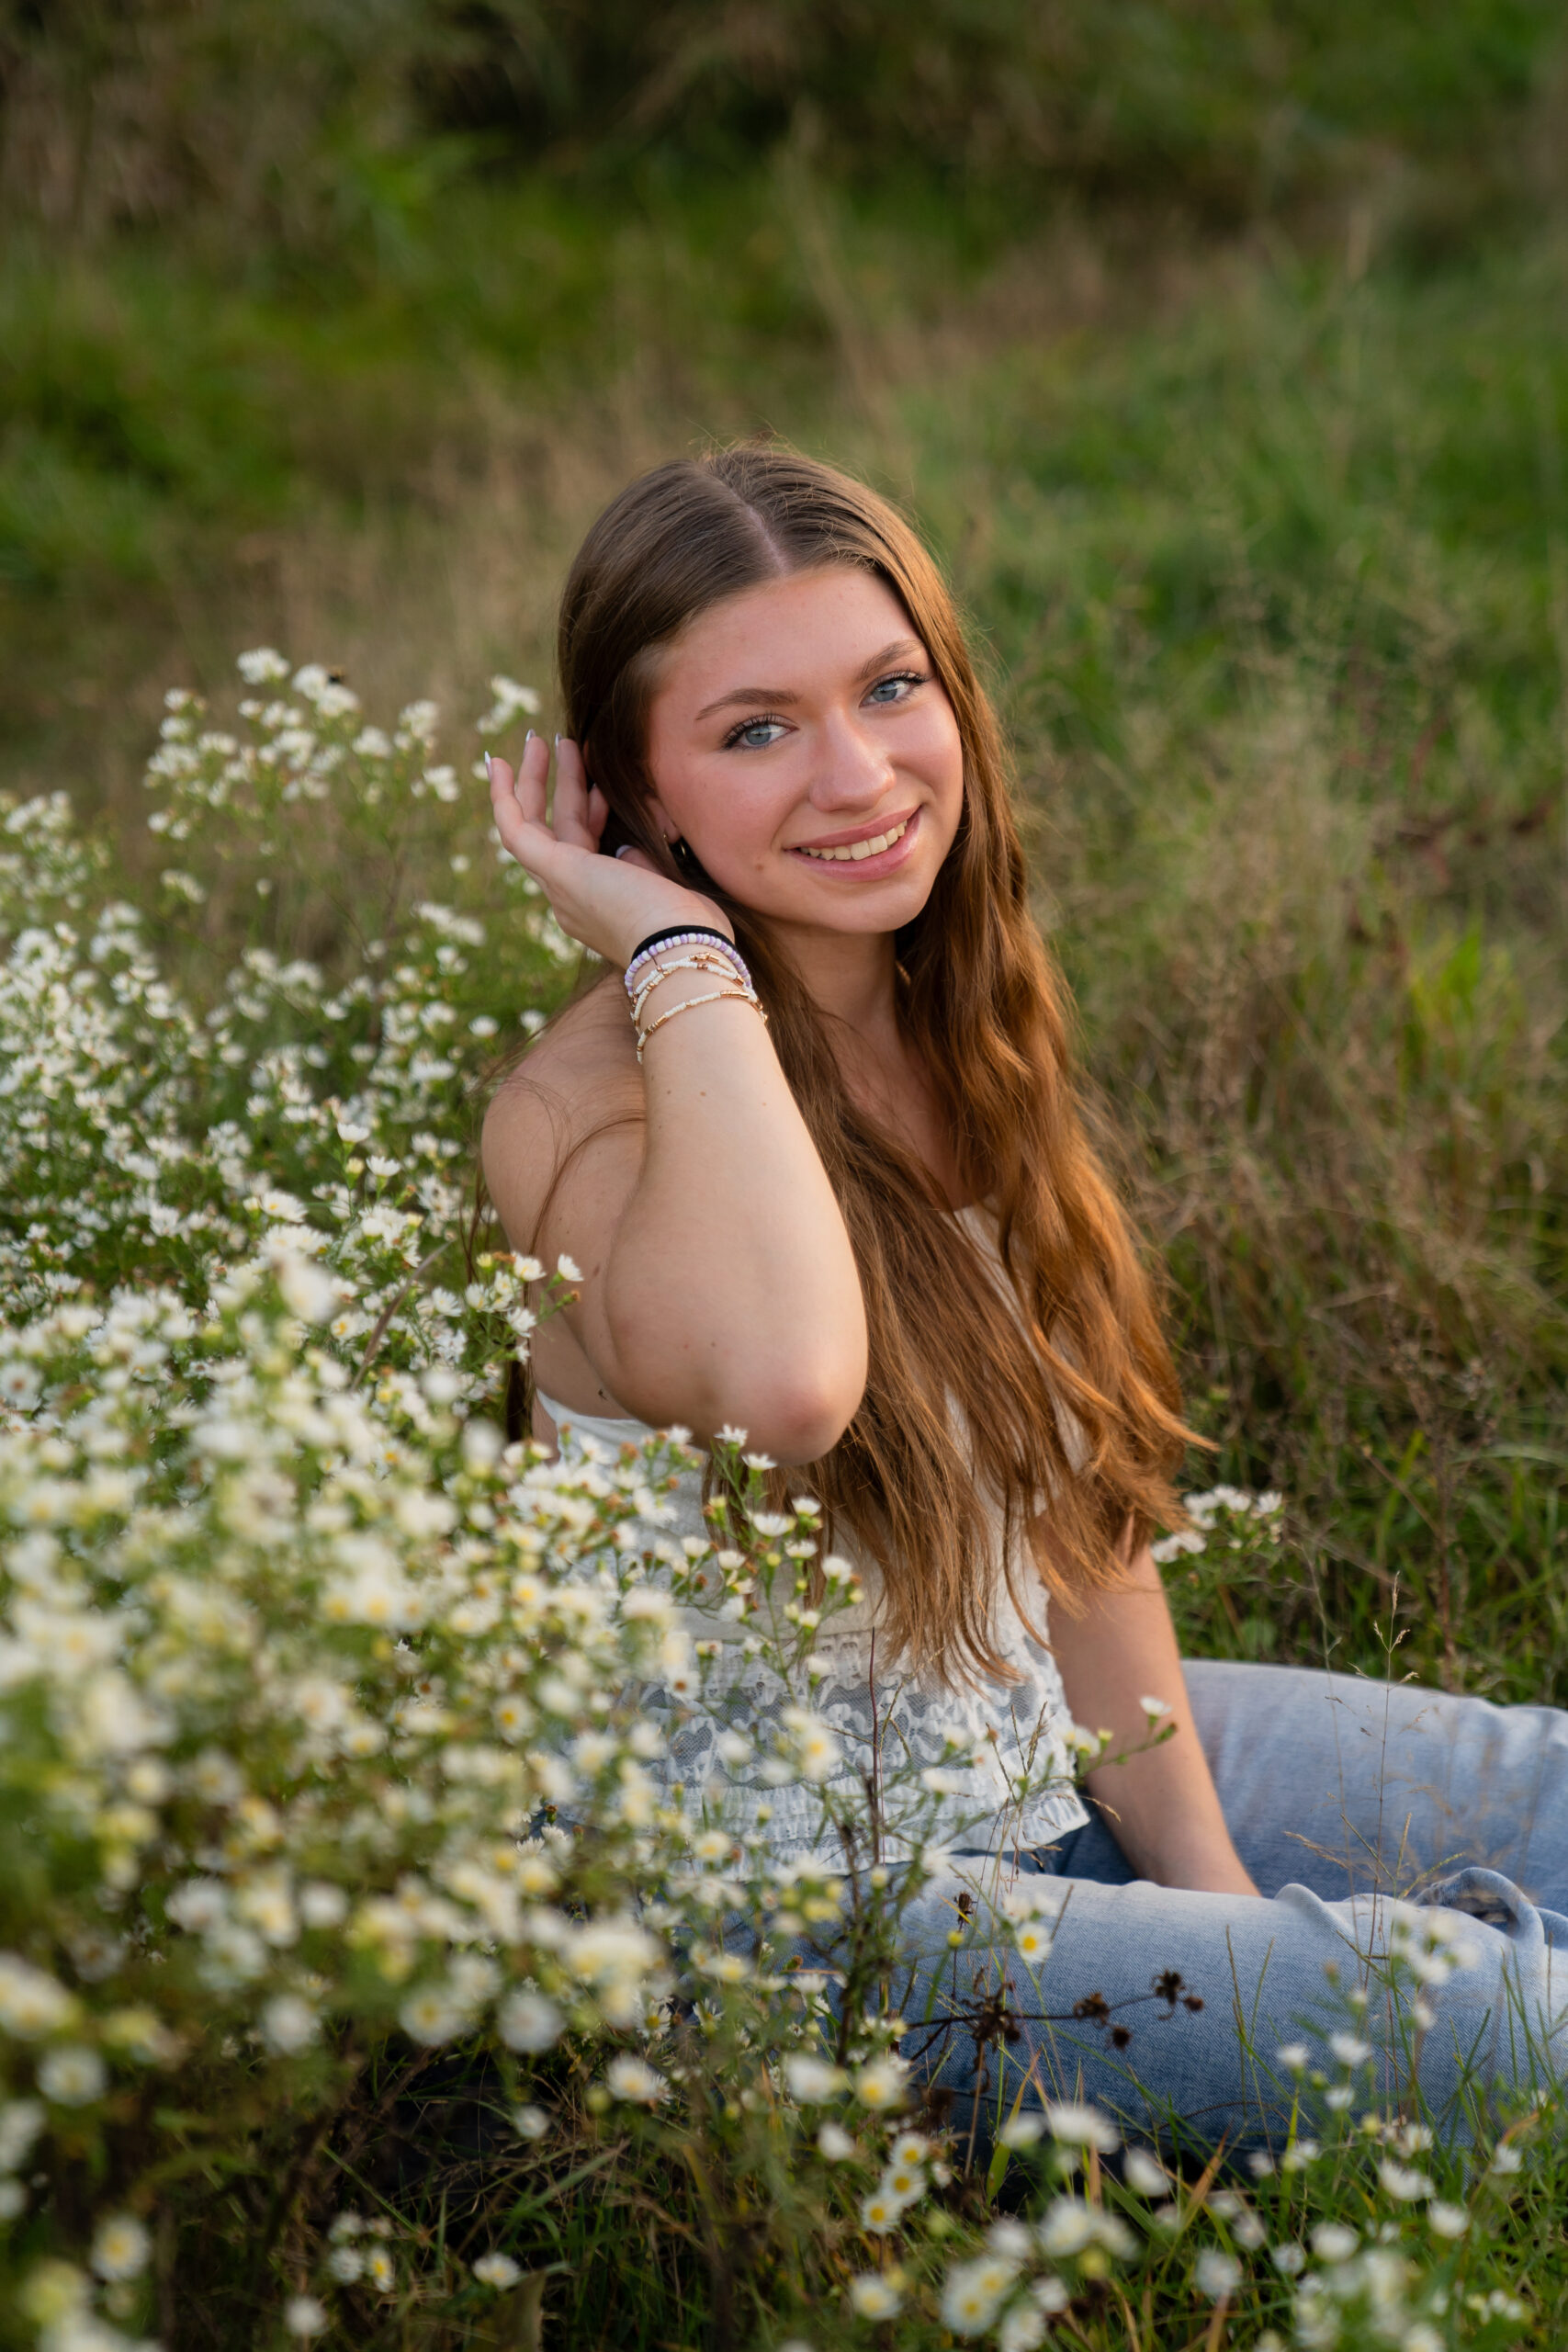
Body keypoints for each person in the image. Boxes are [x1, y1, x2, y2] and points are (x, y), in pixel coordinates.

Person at [481, 446, 1567, 2148]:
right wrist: (667, 948)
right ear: (637, 793)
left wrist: (1206, 1900)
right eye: (755, 730)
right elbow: (783, 1382)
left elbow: (1079, 1528)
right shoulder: (586, 1113)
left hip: (1018, 1751)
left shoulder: (955, 1014)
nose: (855, 775)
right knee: (1507, 2032)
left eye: (890, 689)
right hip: (774, 1910)